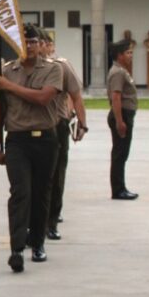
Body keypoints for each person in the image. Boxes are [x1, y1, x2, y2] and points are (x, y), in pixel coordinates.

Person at [0, 24, 64, 273]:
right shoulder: (7, 71)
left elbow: (44, 98)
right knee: (21, 192)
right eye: (24, 42)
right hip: (17, 141)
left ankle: (38, 242)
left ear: (40, 44)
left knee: (42, 193)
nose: (29, 46)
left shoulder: (54, 69)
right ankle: (17, 249)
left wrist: (10, 87)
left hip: (45, 139)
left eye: (32, 41)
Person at [42, 31, 88, 240]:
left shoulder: (61, 66)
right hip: (31, 127)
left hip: (57, 125)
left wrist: (81, 123)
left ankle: (52, 220)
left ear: (50, 46)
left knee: (56, 175)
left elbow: (75, 95)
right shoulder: (21, 67)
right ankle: (35, 222)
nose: (40, 47)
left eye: (43, 43)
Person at [108, 38, 139, 201]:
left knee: (122, 153)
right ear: (119, 55)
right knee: (120, 153)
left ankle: (121, 187)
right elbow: (116, 97)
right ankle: (118, 189)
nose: (130, 56)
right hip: (122, 115)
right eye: (128, 53)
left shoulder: (122, 70)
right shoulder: (118, 72)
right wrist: (120, 122)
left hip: (126, 115)